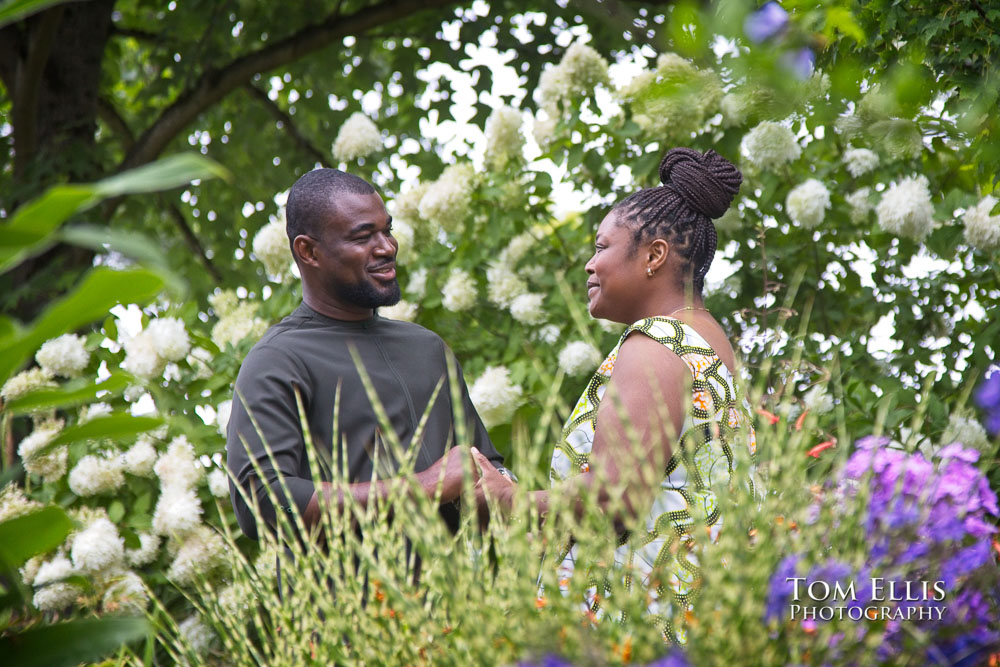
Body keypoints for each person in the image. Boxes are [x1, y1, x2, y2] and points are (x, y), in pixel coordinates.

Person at [473, 147, 759, 644]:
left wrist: (511, 499)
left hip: (631, 623)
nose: (589, 263)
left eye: (602, 247)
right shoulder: (710, 340)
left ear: (653, 256)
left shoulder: (653, 345)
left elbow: (614, 498)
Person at [226, 168, 509, 542]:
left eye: (387, 230)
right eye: (363, 236)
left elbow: (484, 472)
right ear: (308, 251)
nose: (387, 247)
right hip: (349, 600)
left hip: (461, 597)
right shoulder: (278, 360)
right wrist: (424, 486)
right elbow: (260, 502)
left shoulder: (427, 349)